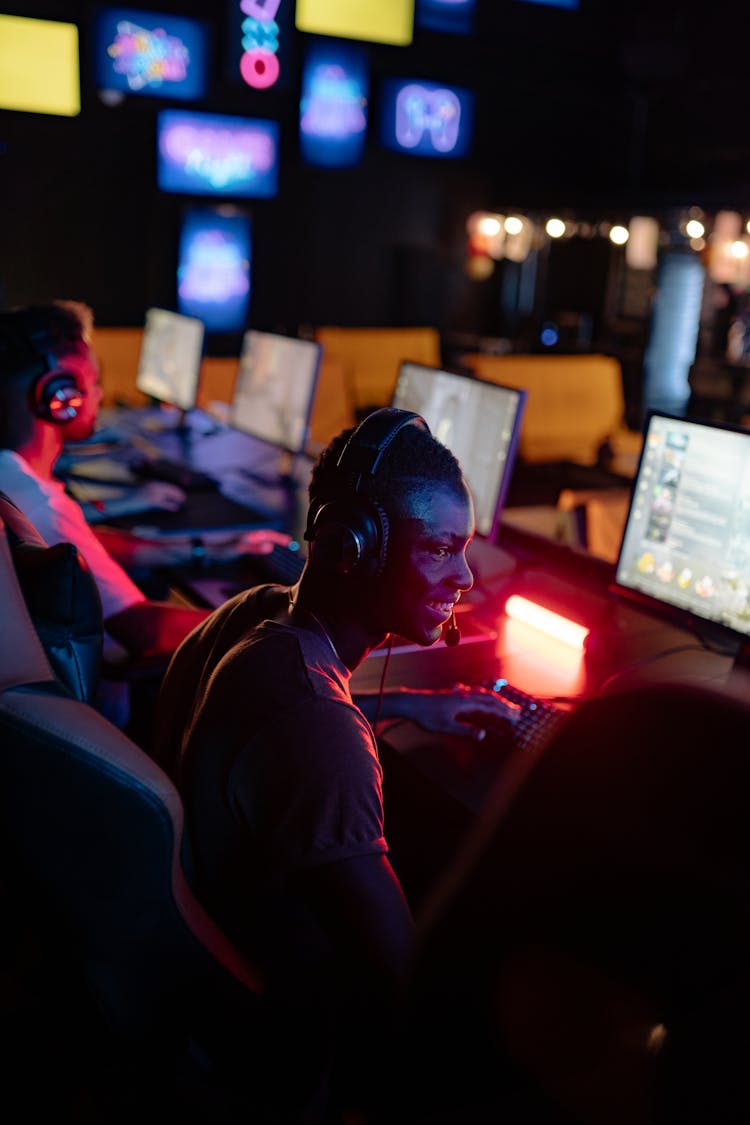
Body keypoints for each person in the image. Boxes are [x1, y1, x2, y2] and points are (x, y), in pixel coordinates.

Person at [152, 407, 521, 1122]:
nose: (465, 576)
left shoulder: (255, 618)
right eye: (440, 549)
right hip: (272, 1030)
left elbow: (284, 726)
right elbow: (399, 973)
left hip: (206, 947)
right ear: (357, 548)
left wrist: (416, 702)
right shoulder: (320, 732)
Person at [0, 300, 289, 725]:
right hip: (97, 728)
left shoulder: (15, 480)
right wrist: (282, 620)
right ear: (61, 398)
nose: (97, 395)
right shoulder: (40, 506)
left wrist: (209, 547)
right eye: (90, 384)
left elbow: (88, 547)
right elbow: (145, 630)